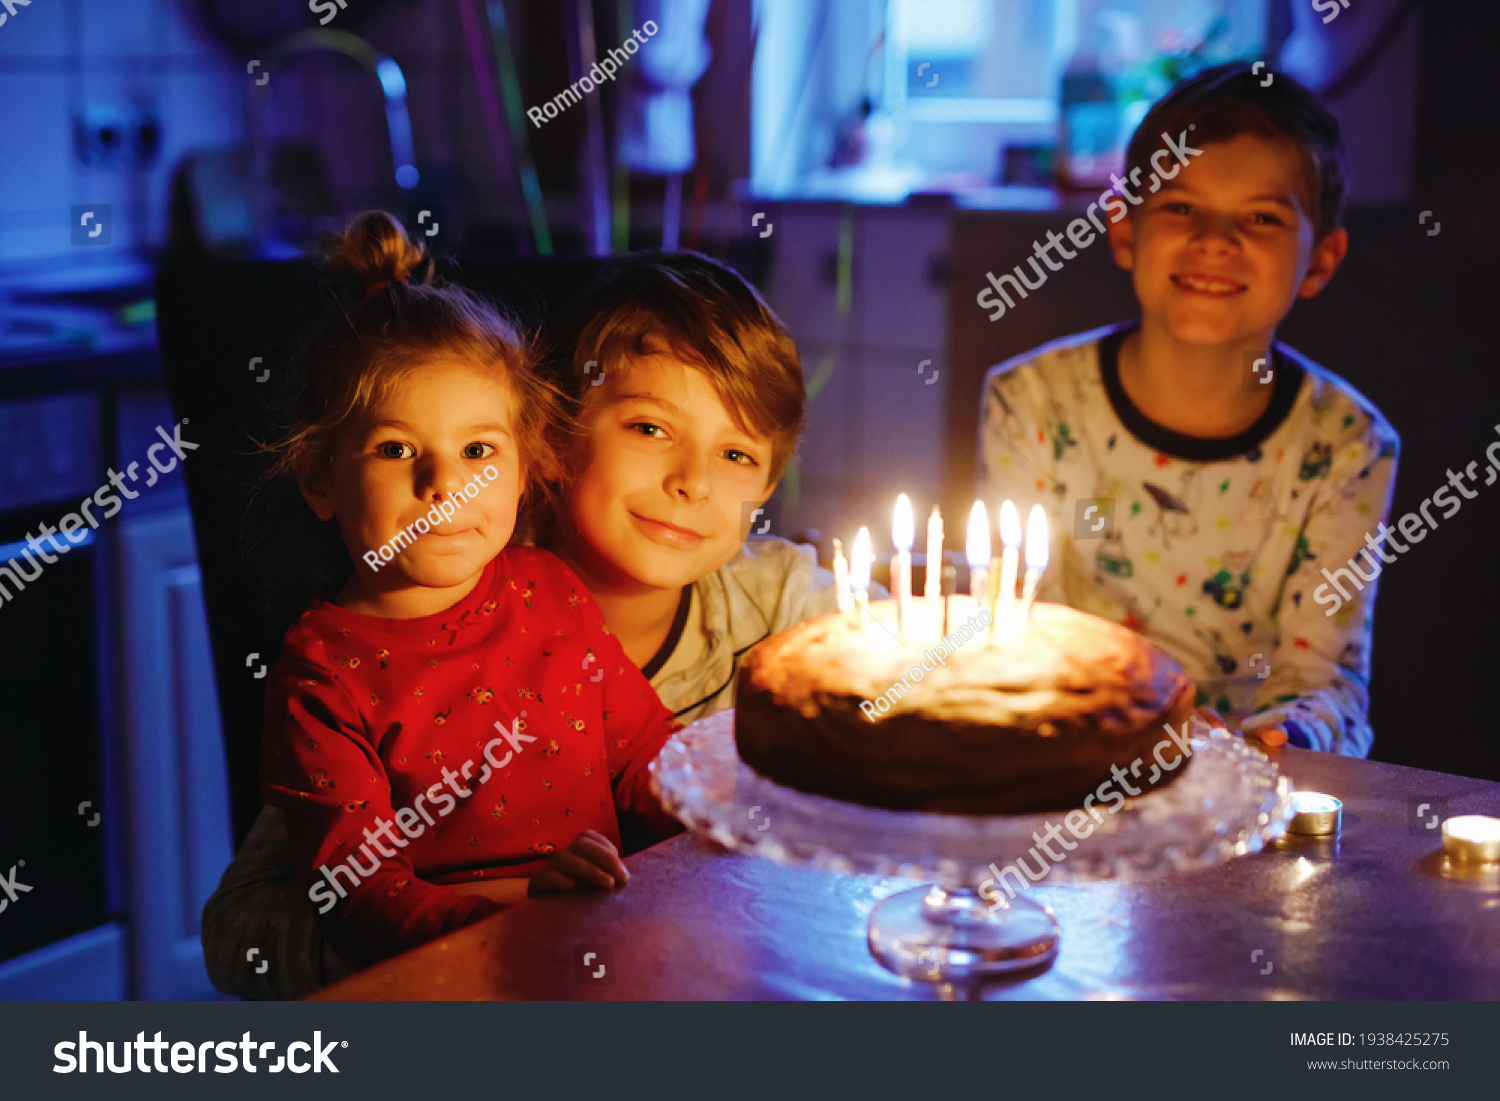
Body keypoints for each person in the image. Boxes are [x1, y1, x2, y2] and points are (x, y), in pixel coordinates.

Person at [204, 246, 877, 997]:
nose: (691, 482)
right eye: (650, 429)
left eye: (735, 452)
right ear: (554, 442)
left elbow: (660, 758)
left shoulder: (747, 602)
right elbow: (260, 925)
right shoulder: (335, 664)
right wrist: (520, 914)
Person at [250, 212, 683, 973]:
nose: (445, 484)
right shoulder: (320, 677)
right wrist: (522, 905)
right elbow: (357, 895)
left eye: (478, 449)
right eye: (396, 449)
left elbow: (646, 752)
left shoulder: (551, 588)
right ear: (321, 477)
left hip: (602, 950)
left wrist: (734, 814)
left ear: (522, 469)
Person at [976, 63, 1397, 757]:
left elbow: (1327, 680)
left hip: (1251, 796)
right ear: (1123, 228)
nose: (1215, 240)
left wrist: (1270, 738)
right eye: (1180, 207)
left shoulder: (1348, 444)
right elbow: (1018, 621)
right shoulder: (1035, 402)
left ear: (1321, 260)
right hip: (1068, 768)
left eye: (1261, 217)